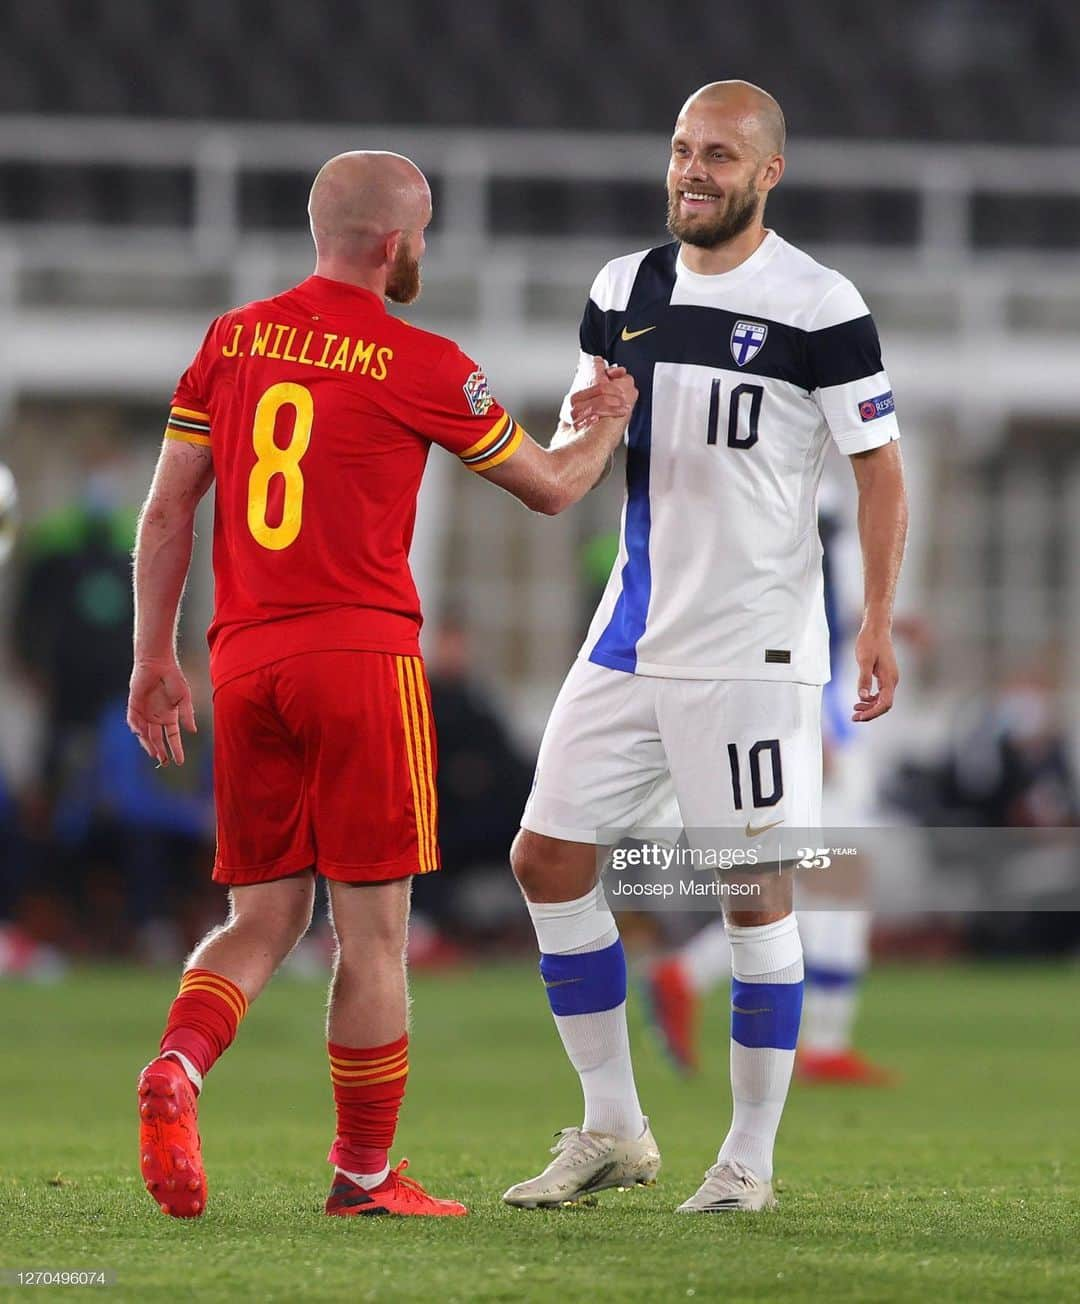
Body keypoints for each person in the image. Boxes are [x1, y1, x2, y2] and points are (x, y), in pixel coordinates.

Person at [128, 150, 636, 1219]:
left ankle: (179, 1062)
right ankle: (362, 1175)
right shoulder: (422, 360)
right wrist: (604, 424)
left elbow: (170, 510)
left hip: (243, 659)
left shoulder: (231, 340)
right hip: (359, 658)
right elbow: (547, 487)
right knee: (373, 932)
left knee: (261, 912)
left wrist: (153, 658)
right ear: (399, 242)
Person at [503, 81, 908, 1214]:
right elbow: (583, 435)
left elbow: (879, 467)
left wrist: (874, 617)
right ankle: (614, 1128)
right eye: (682, 148)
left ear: (768, 172)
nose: (694, 169)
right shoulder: (619, 287)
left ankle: (748, 1161)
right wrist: (572, 442)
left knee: (753, 888)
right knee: (547, 857)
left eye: (719, 155)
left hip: (753, 648)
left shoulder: (820, 302)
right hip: (632, 633)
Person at [644, 491, 896, 1085]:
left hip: (817, 690)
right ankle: (698, 980)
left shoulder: (809, 475)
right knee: (826, 879)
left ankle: (816, 1036)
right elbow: (796, 597)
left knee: (832, 885)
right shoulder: (799, 486)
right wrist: (810, 721)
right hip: (808, 695)